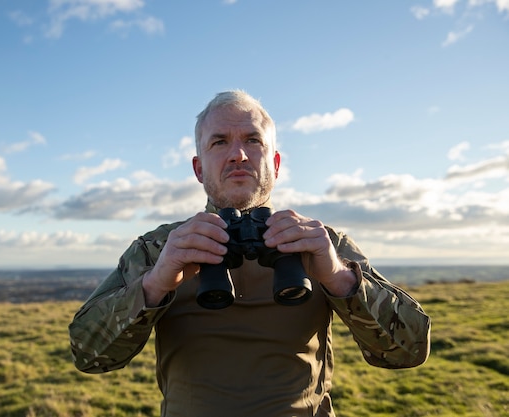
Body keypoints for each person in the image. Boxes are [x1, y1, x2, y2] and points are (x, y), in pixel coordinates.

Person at [69, 90, 431, 417]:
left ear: (274, 164)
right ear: (198, 168)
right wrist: (155, 283)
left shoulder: (320, 242)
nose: (238, 154)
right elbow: (88, 354)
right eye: (220, 142)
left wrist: (338, 276)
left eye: (252, 140)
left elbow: (409, 350)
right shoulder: (160, 249)